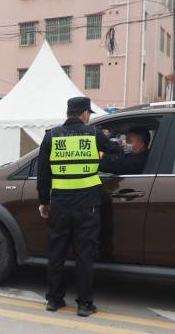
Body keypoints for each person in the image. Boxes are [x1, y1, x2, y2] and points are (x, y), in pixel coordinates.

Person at [37, 97, 122, 317]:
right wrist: (113, 141)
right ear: (84, 113)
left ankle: (54, 300)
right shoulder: (94, 134)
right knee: (84, 255)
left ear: (68, 113)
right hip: (87, 206)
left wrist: (44, 201)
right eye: (89, 114)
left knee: (57, 253)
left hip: (59, 205)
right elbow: (116, 150)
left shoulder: (51, 136)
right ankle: (84, 304)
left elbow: (43, 174)